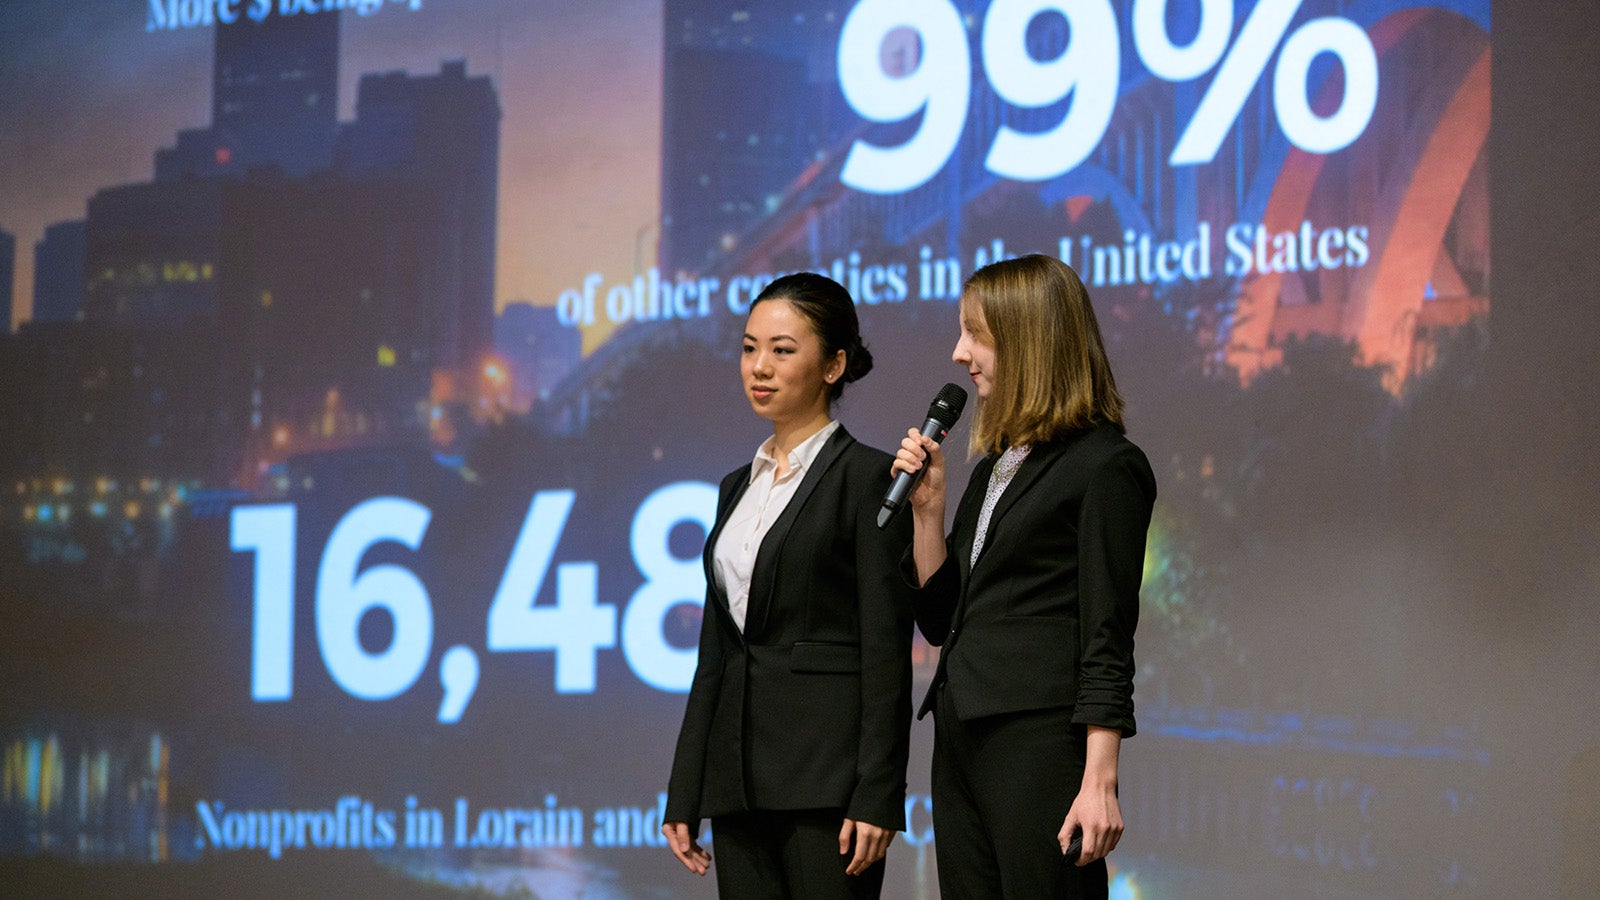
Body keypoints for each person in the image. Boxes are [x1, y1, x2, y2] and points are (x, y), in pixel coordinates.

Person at [890, 254, 1156, 898]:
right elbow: (942, 619)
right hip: (961, 737)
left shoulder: (1105, 465)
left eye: (976, 334)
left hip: (1037, 742)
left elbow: (1107, 633)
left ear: (1030, 342)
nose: (959, 353)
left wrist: (1099, 781)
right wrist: (928, 516)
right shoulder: (993, 467)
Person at [664, 272, 915, 899]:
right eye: (750, 348)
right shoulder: (734, 487)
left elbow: (886, 649)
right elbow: (717, 654)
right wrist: (686, 787)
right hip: (738, 778)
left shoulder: (869, 478)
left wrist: (878, 791)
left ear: (833, 364)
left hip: (827, 784)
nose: (760, 367)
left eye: (782, 349)